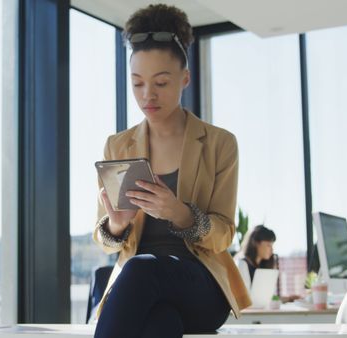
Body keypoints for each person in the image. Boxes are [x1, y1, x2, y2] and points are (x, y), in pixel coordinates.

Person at [92, 4, 250, 338]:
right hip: (142, 293)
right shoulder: (117, 146)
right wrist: (116, 226)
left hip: (201, 285)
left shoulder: (220, 143)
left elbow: (224, 234)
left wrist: (180, 213)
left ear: (185, 78)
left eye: (161, 82)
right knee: (161, 324)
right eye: (137, 84)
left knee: (140, 270)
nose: (147, 95)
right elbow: (104, 239)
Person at [235, 225, 301, 303]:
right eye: (268, 245)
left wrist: (287, 299)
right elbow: (245, 301)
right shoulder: (242, 264)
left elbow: (264, 299)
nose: (272, 249)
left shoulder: (262, 266)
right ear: (255, 243)